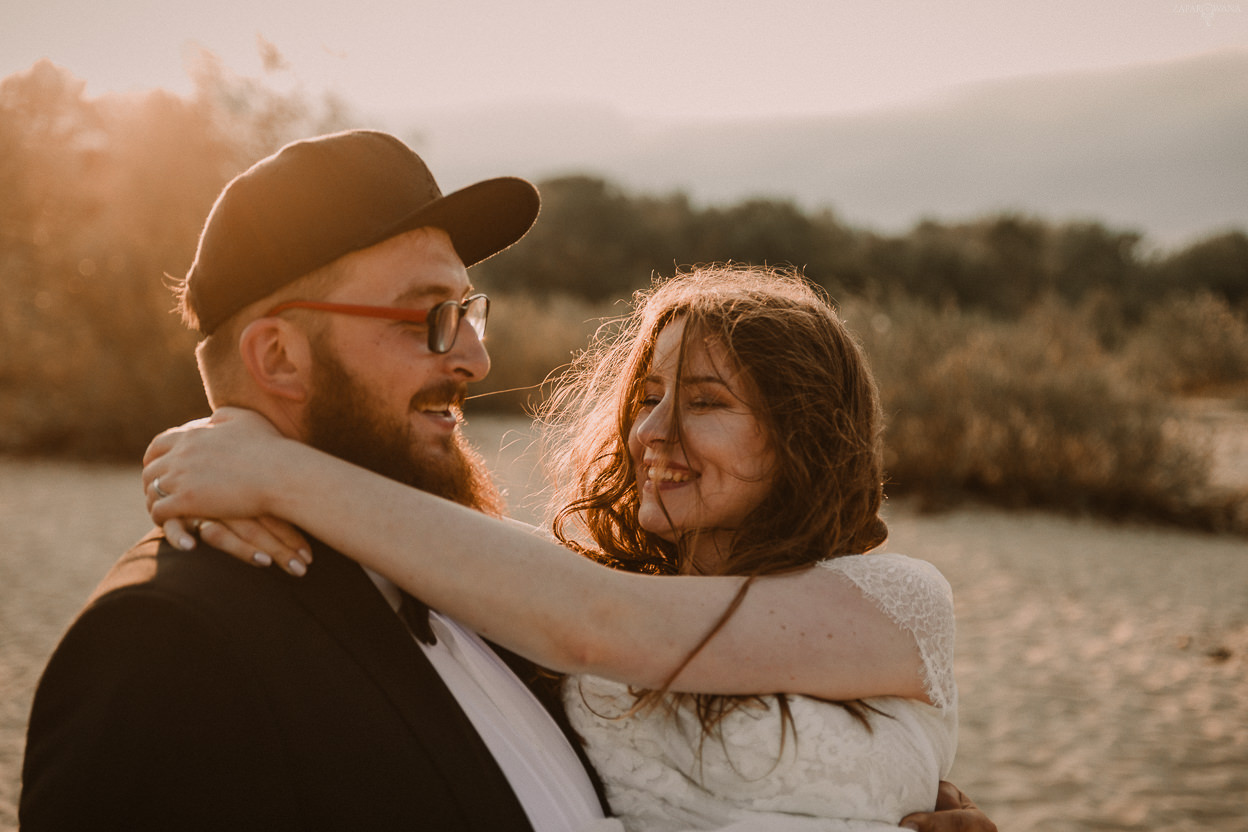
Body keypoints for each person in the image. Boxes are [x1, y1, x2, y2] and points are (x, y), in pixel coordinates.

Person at [142, 263, 983, 831]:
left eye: (704, 400)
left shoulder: (900, 604)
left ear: (803, 436)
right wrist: (225, 441)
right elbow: (418, 536)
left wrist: (269, 469)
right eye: (648, 395)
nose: (652, 431)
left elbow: (599, 624)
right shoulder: (553, 594)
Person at [20, 129, 606, 831]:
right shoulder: (164, 646)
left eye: (467, 310)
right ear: (279, 357)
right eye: (428, 316)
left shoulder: (476, 578)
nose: (476, 359)